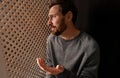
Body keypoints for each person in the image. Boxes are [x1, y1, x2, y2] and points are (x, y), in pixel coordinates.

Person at [36, 0, 100, 78]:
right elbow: (50, 69)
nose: (48, 23)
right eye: (49, 18)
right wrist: (50, 71)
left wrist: (62, 73)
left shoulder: (90, 46)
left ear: (68, 16)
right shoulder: (51, 39)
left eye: (53, 16)